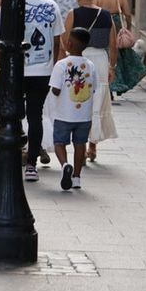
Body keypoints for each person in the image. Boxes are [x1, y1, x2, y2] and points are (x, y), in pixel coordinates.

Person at [11, 0, 65, 182]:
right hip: (42, 70)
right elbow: (57, 40)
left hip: (16, 68)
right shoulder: (51, 6)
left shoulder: (11, 5)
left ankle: (14, 157)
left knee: (13, 115)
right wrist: (53, 67)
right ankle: (31, 163)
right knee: (35, 116)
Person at [64, 0, 117, 160]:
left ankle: (81, 142)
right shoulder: (105, 15)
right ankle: (92, 146)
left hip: (80, 59)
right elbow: (113, 43)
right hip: (100, 59)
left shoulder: (73, 14)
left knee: (79, 99)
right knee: (98, 99)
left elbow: (65, 41)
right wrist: (112, 67)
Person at [49, 27, 97, 191]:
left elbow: (55, 89)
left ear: (69, 43)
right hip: (84, 115)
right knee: (80, 144)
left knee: (59, 143)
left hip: (64, 113)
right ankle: (76, 177)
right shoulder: (90, 65)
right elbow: (94, 88)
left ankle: (64, 165)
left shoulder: (61, 65)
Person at [93, 0, 146, 96]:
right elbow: (128, 14)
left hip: (103, 25)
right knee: (119, 55)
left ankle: (109, 83)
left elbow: (95, 12)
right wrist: (128, 28)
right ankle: (118, 83)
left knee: (106, 53)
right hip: (117, 25)